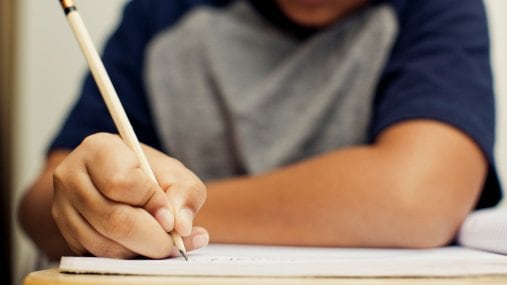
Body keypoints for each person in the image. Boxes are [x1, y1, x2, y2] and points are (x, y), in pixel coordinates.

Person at [19, 0, 502, 260]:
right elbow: (41, 203)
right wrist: (86, 203)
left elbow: (417, 197)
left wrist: (164, 210)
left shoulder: (437, 9)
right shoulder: (162, 15)